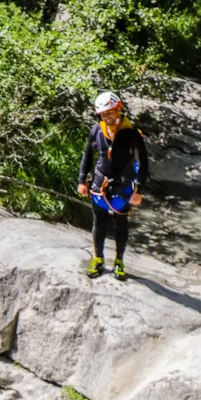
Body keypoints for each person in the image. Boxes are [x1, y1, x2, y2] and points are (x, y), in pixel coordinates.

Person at [77, 91, 148, 280]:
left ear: (119, 109)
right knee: (98, 223)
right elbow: (88, 156)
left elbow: (144, 164)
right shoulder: (96, 130)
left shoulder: (132, 134)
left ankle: (119, 261)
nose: (106, 116)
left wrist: (139, 191)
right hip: (99, 185)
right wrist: (81, 181)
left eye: (110, 112)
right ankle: (98, 259)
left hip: (123, 189)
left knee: (121, 225)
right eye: (103, 114)